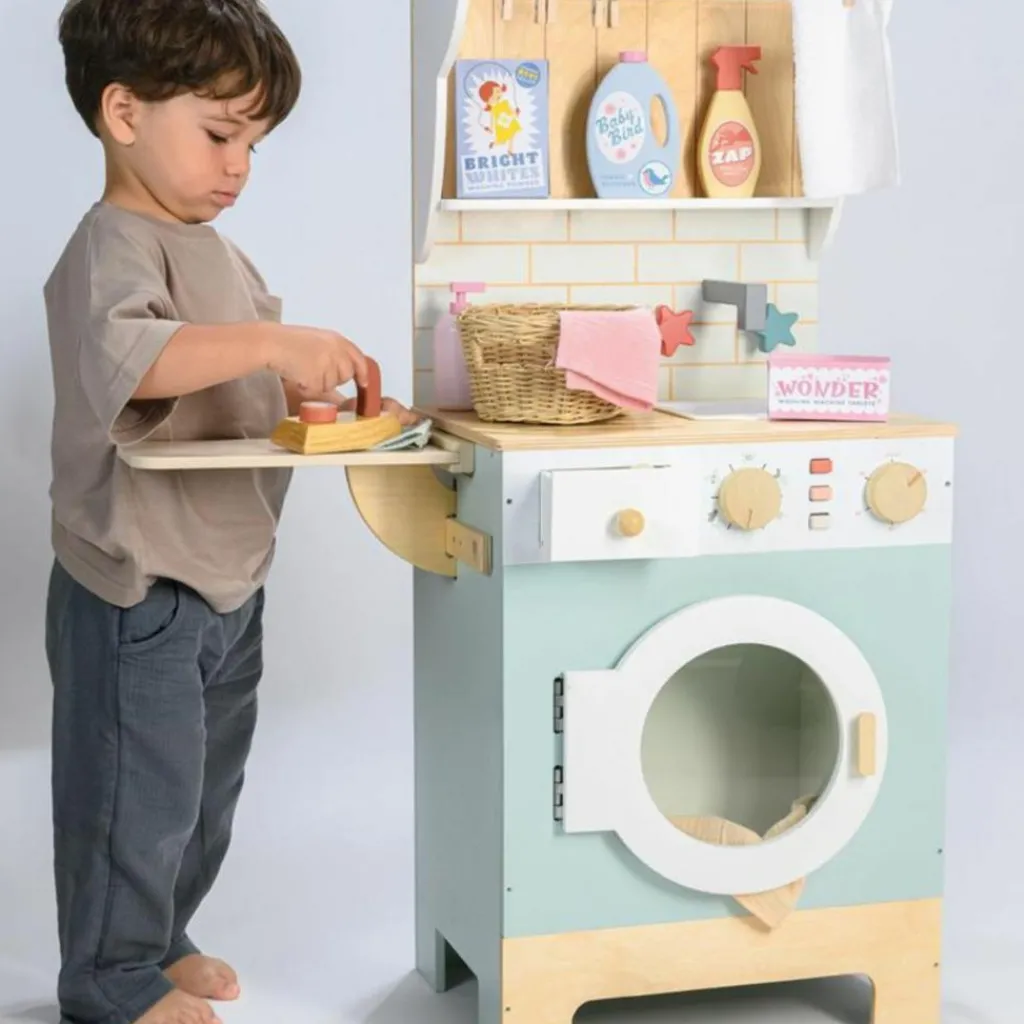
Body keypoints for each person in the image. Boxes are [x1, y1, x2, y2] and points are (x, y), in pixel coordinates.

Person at [43, 2, 415, 1022]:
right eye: (218, 134)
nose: (239, 166)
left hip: (224, 579)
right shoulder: (113, 245)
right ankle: (107, 976)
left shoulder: (218, 252)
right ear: (124, 112)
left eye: (252, 143)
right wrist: (275, 345)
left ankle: (158, 939)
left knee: (200, 791)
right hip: (140, 583)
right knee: (132, 789)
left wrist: (303, 387)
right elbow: (140, 361)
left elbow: (234, 377)